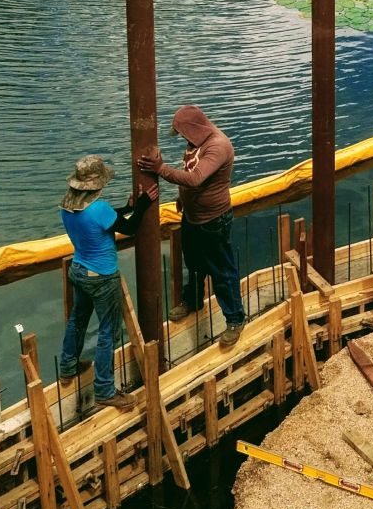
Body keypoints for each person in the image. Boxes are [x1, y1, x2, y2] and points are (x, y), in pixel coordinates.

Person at [136, 105, 246, 348]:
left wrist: (160, 169)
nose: (183, 138)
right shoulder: (198, 142)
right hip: (193, 217)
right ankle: (194, 300)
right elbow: (191, 171)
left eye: (183, 133)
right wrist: (182, 198)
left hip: (213, 220)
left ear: (193, 128)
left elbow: (196, 179)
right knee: (195, 264)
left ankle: (236, 318)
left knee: (222, 272)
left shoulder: (218, 146)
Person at [58, 155, 158, 410]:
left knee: (77, 320)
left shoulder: (67, 206)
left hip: (78, 270)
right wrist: (144, 203)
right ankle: (104, 390)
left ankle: (68, 368)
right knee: (108, 332)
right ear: (97, 183)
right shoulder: (99, 209)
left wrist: (127, 206)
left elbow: (110, 219)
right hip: (102, 276)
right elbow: (130, 228)